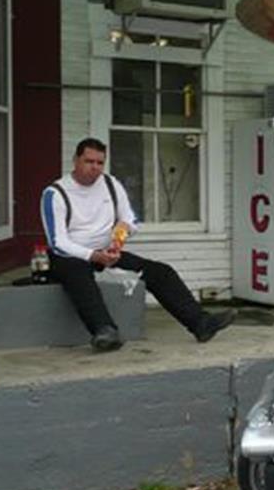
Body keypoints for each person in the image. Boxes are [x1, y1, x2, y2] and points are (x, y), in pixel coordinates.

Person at [41, 138, 235, 351]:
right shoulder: (55, 193)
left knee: (159, 272)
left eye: (99, 162)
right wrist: (93, 256)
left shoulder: (110, 184)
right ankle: (104, 330)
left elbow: (130, 219)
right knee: (79, 274)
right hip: (69, 257)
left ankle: (200, 323)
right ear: (75, 160)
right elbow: (58, 242)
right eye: (89, 161)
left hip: (106, 252)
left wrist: (119, 238)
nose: (95, 168)